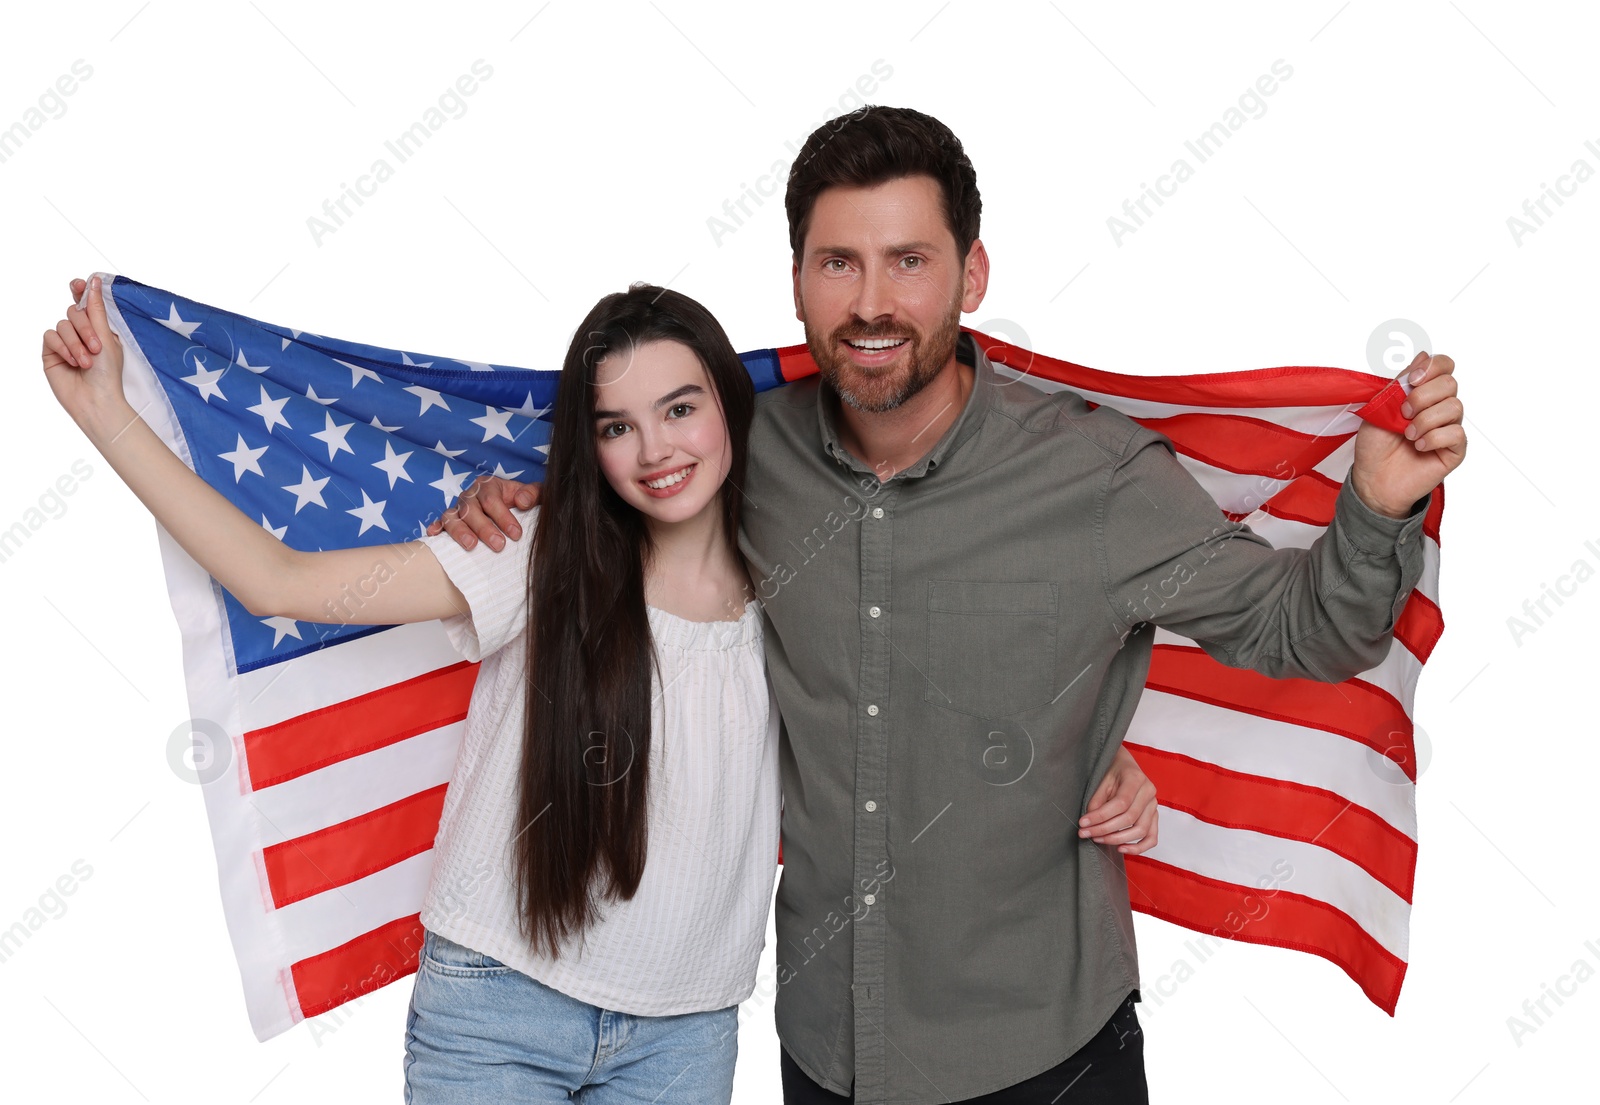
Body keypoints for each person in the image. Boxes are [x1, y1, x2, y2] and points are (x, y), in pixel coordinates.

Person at [434, 106, 1467, 1104]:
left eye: (908, 260)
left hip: (1047, 1051)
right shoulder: (747, 456)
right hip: (826, 1049)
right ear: (796, 279)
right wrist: (526, 501)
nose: (870, 302)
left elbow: (1314, 631)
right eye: (839, 262)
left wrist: (1376, 504)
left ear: (971, 274)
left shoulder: (1095, 477)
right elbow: (635, 485)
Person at [42, 274, 1158, 1103]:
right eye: (616, 425)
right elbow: (275, 578)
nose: (653, 448)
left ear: (730, 408)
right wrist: (105, 414)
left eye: (680, 408)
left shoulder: (808, 587)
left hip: (685, 1039)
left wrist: (1098, 750)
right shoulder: (528, 554)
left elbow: (942, 705)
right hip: (494, 1017)